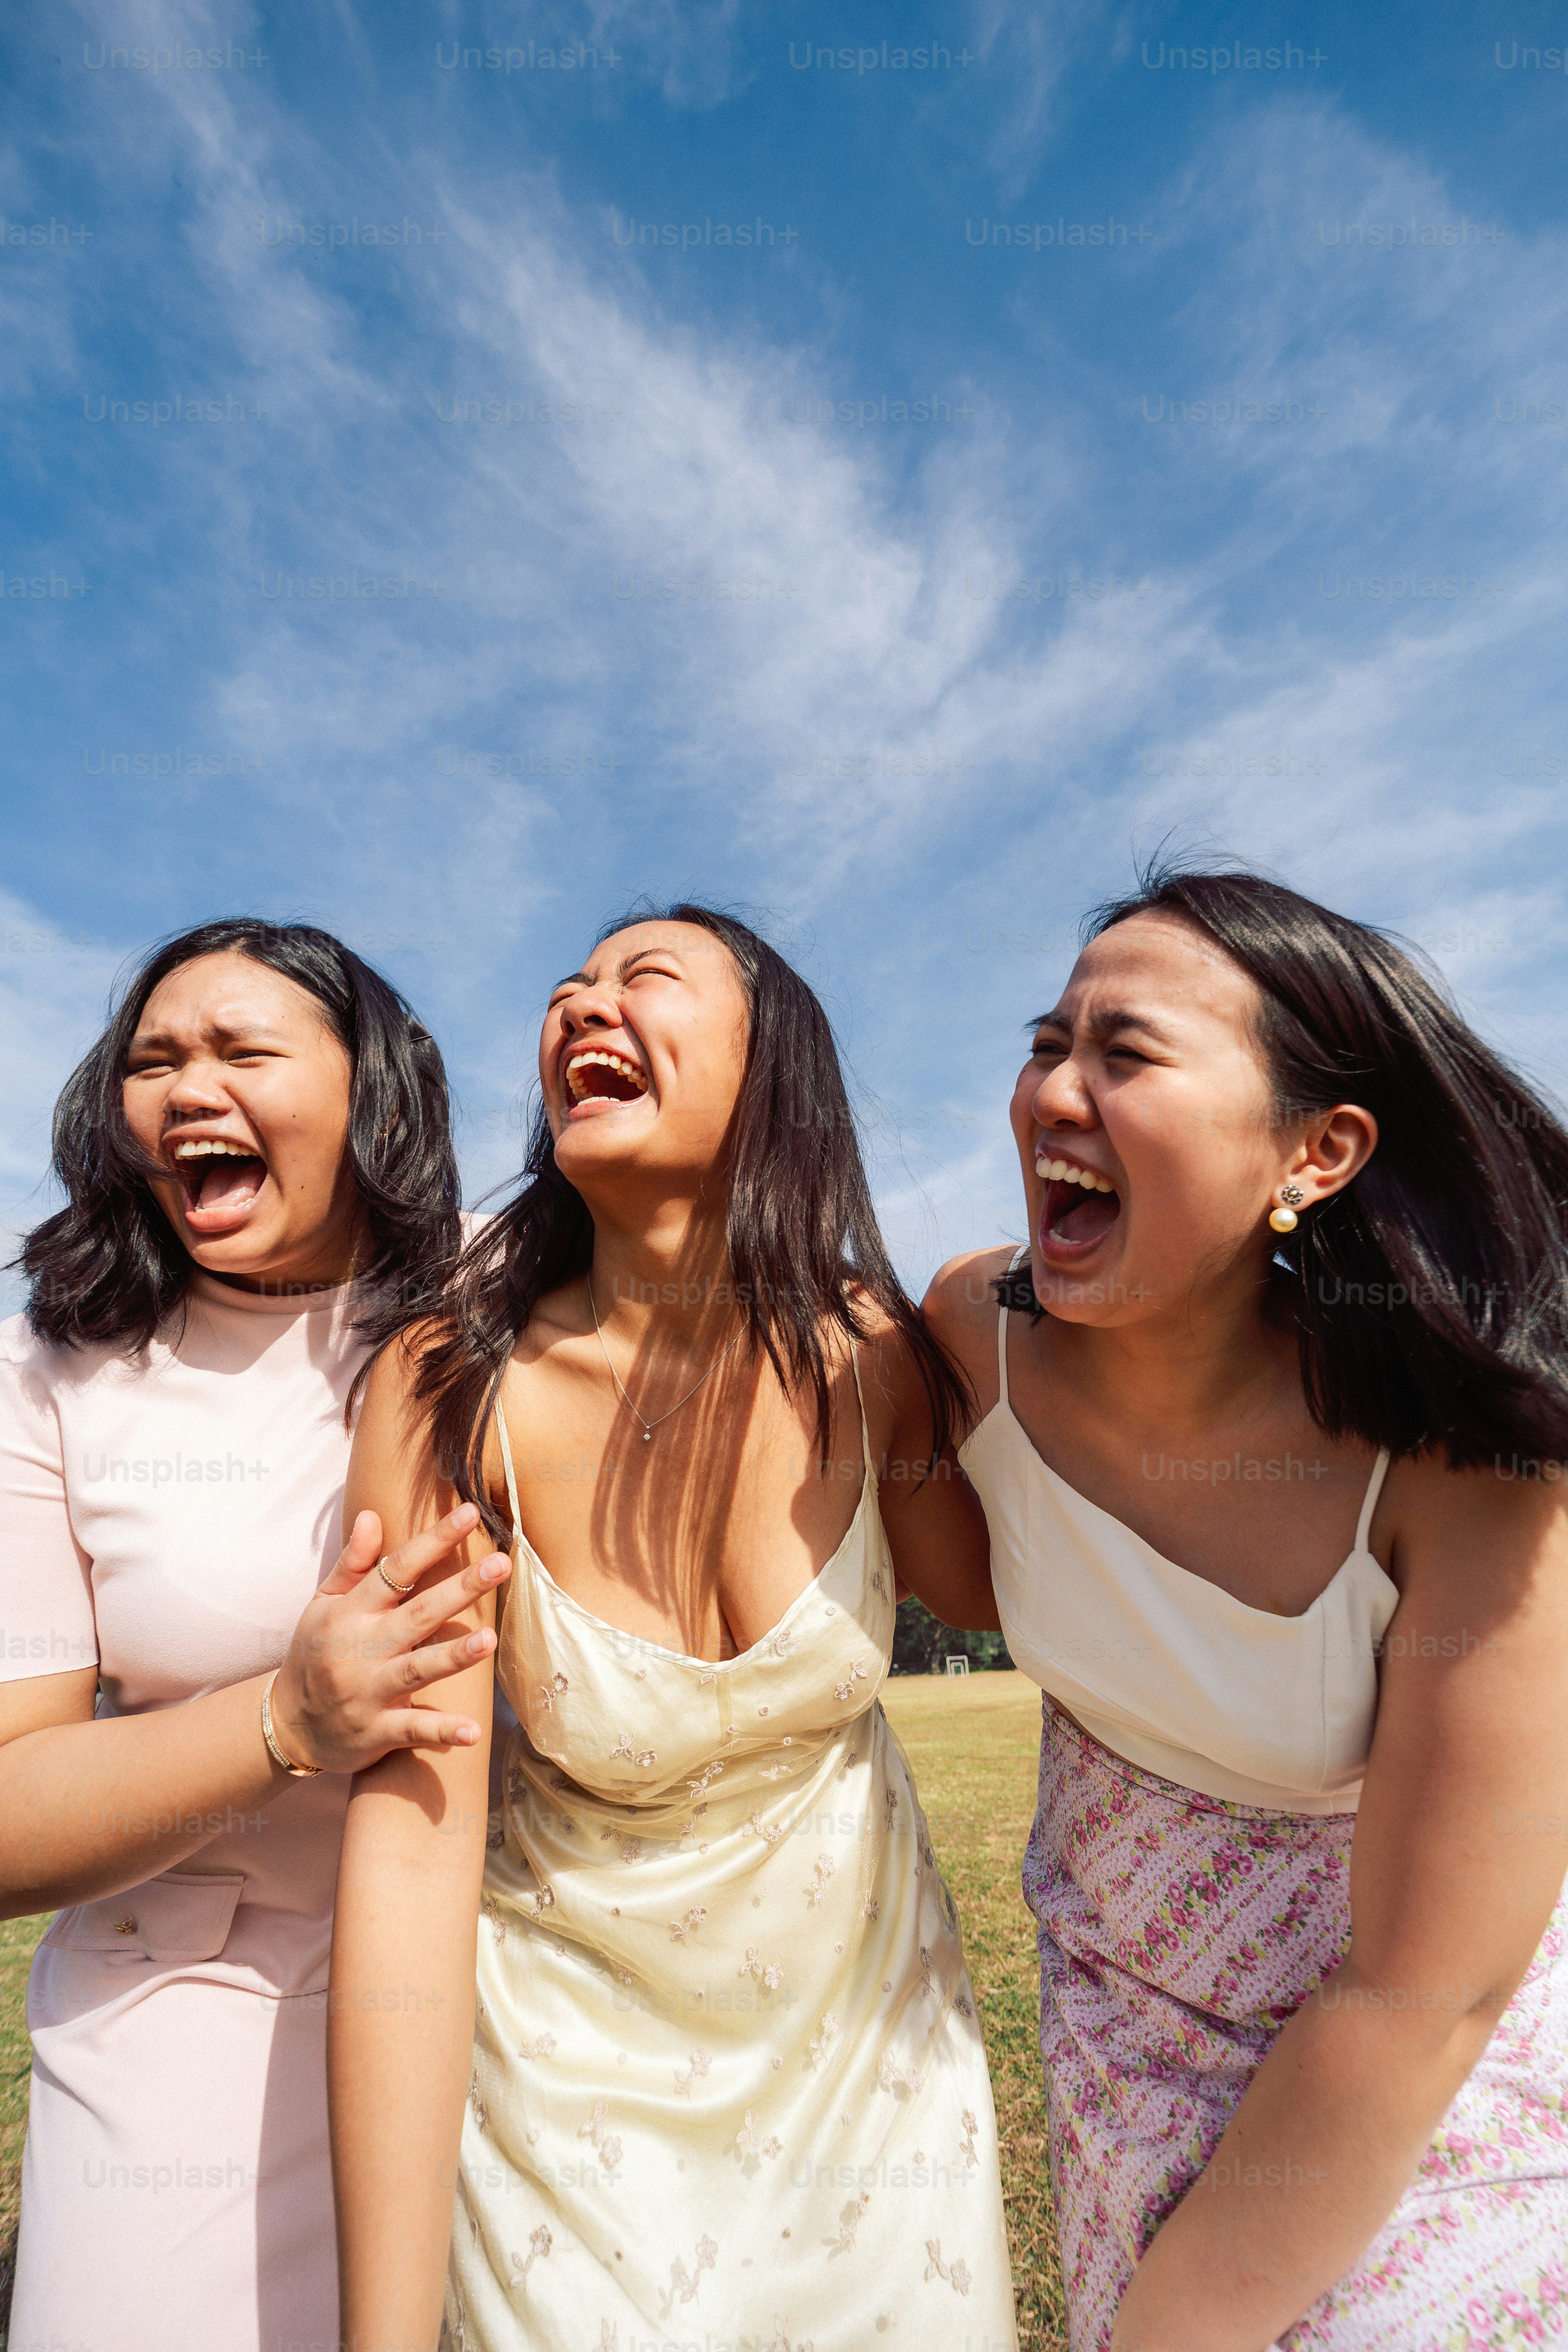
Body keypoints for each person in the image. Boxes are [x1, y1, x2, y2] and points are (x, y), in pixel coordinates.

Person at [331, 904, 1020, 2352]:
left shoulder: (874, 1356)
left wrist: (1030, 1313)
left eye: (646, 978)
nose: (584, 1005)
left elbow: (1018, 1600)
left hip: (876, 2080)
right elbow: (409, 1849)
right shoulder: (450, 1386)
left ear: (775, 1073)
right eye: (571, 987)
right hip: (568, 2095)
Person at [926, 866, 1568, 2352]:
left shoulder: (1472, 1465)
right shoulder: (969, 1334)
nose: (1053, 1095)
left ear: (1316, 1152)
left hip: (1412, 2076)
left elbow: (1424, 1996)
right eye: (1047, 1045)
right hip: (1122, 2046)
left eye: (1126, 1053)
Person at [1, 919, 511, 2352]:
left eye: (241, 1051)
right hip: (183, 1999)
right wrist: (285, 1722)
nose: (186, 1090)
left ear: (373, 1095)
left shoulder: (501, 1291)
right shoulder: (48, 1369)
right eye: (152, 1062)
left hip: (515, 1988)